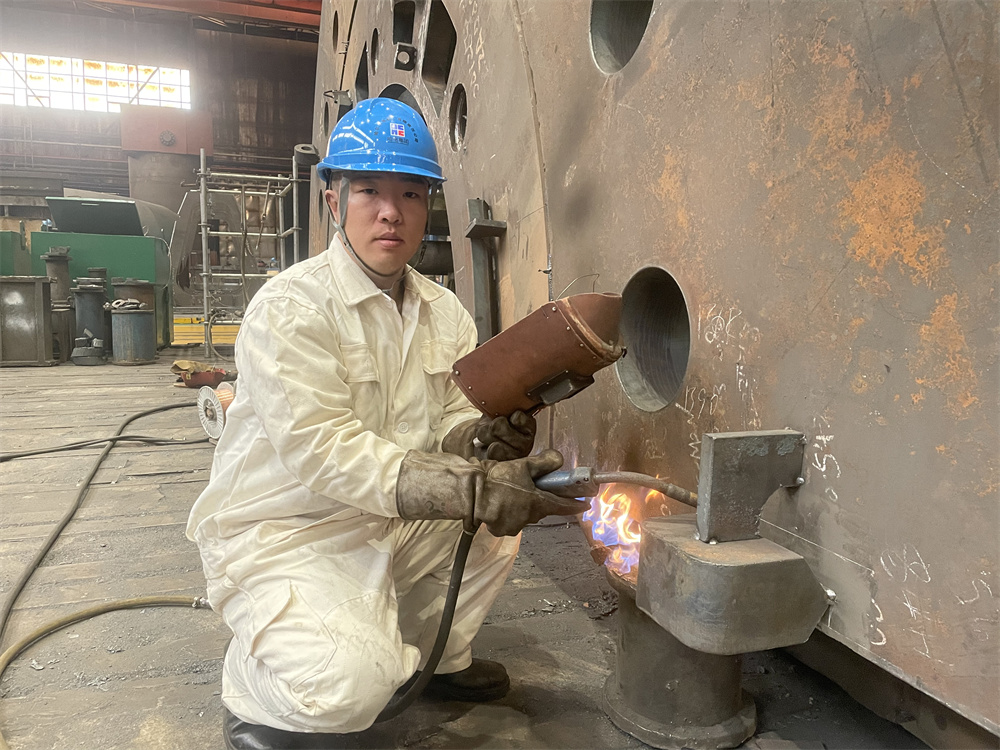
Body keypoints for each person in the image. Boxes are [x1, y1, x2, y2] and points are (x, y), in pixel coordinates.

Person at [186, 97, 585, 749]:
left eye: (410, 193)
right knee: (351, 691)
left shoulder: (443, 312)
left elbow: (453, 419)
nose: (390, 211)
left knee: (492, 525)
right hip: (289, 531)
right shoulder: (291, 308)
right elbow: (323, 451)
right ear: (334, 200)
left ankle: (438, 658)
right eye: (369, 190)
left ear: (426, 207)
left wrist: (481, 443)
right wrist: (467, 484)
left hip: (386, 519)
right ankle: (252, 687)